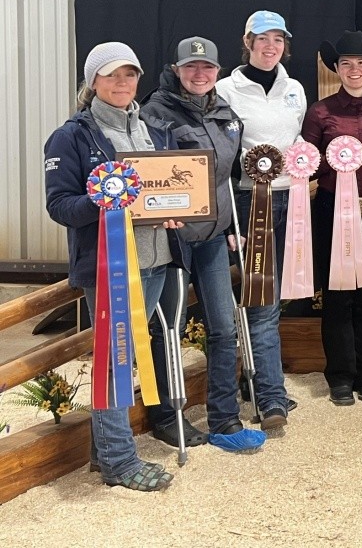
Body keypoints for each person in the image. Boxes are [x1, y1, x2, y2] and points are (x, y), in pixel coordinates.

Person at [44, 42, 185, 491]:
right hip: (111, 270)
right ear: (93, 83)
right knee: (114, 362)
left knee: (125, 358)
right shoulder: (71, 137)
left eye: (129, 74)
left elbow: (161, 191)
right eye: (111, 75)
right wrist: (101, 200)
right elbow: (60, 206)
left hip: (157, 259)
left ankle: (102, 451)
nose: (122, 83)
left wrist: (172, 209)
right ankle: (121, 463)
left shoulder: (155, 130)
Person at [142, 36, 254, 442]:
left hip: (212, 237)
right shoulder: (155, 113)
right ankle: (166, 416)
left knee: (223, 327)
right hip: (171, 241)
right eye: (191, 67)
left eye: (207, 68)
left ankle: (224, 414)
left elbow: (227, 177)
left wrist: (228, 226)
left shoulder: (226, 114)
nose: (199, 74)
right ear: (177, 70)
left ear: (217, 72)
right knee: (168, 327)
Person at [215, 10, 306, 433]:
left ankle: (256, 383)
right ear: (247, 41)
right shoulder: (225, 91)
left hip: (293, 201)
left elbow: (296, 141)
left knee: (274, 297)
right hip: (252, 203)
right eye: (262, 39)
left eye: (278, 39)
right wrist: (231, 218)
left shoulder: (296, 89)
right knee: (262, 303)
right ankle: (269, 396)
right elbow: (221, 158)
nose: (270, 47)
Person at [301, 30, 362, 406]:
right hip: (332, 212)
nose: (354, 69)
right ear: (337, 69)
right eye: (347, 63)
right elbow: (308, 163)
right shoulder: (320, 112)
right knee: (338, 295)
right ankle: (340, 377)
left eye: (361, 62)